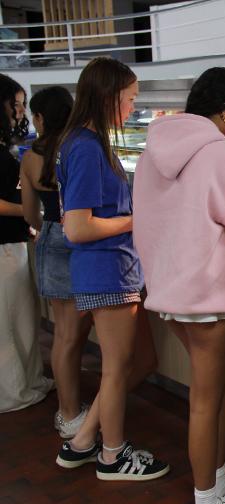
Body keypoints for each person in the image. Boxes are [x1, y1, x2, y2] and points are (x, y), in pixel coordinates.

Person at [133, 67, 225, 504]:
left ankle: (216, 478)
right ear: (224, 113)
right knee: (205, 397)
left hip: (170, 290)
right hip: (208, 294)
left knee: (223, 381)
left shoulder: (153, 150)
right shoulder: (218, 152)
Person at [55, 57, 169, 481]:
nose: (132, 108)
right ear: (108, 97)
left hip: (111, 268)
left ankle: (84, 440)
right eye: (129, 99)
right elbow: (78, 227)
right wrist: (136, 220)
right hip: (107, 269)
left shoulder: (81, 141)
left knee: (135, 361)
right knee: (118, 367)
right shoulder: (87, 147)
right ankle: (113, 455)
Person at [19, 85, 93, 436]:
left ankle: (68, 412)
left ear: (40, 117)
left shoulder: (30, 158)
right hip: (84, 237)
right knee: (78, 334)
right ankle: (75, 410)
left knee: (64, 336)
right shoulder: (79, 148)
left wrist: (43, 229)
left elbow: (30, 215)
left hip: (51, 235)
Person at [0, 74, 53, 413]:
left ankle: (29, 382)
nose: (20, 112)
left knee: (21, 322)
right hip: (4, 247)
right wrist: (32, 211)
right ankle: (14, 392)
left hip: (12, 243)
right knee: (10, 325)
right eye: (16, 105)